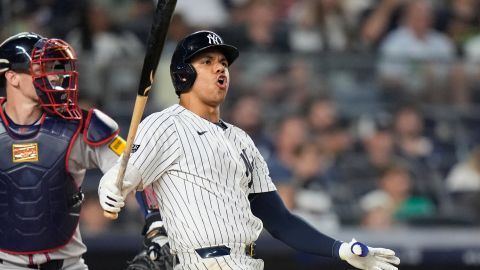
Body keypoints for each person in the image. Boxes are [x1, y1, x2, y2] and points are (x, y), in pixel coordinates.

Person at [98, 30, 401, 270]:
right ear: (183, 75)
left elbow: (279, 220)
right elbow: (125, 174)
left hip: (248, 262)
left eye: (224, 63)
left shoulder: (241, 140)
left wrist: (341, 249)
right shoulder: (165, 124)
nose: (220, 68)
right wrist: (109, 188)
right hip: (202, 262)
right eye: (207, 62)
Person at [0, 32, 166, 270]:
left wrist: (155, 224)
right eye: (41, 68)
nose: (55, 77)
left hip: (67, 265)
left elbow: (136, 170)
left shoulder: (79, 125)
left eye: (54, 68)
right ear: (13, 78)